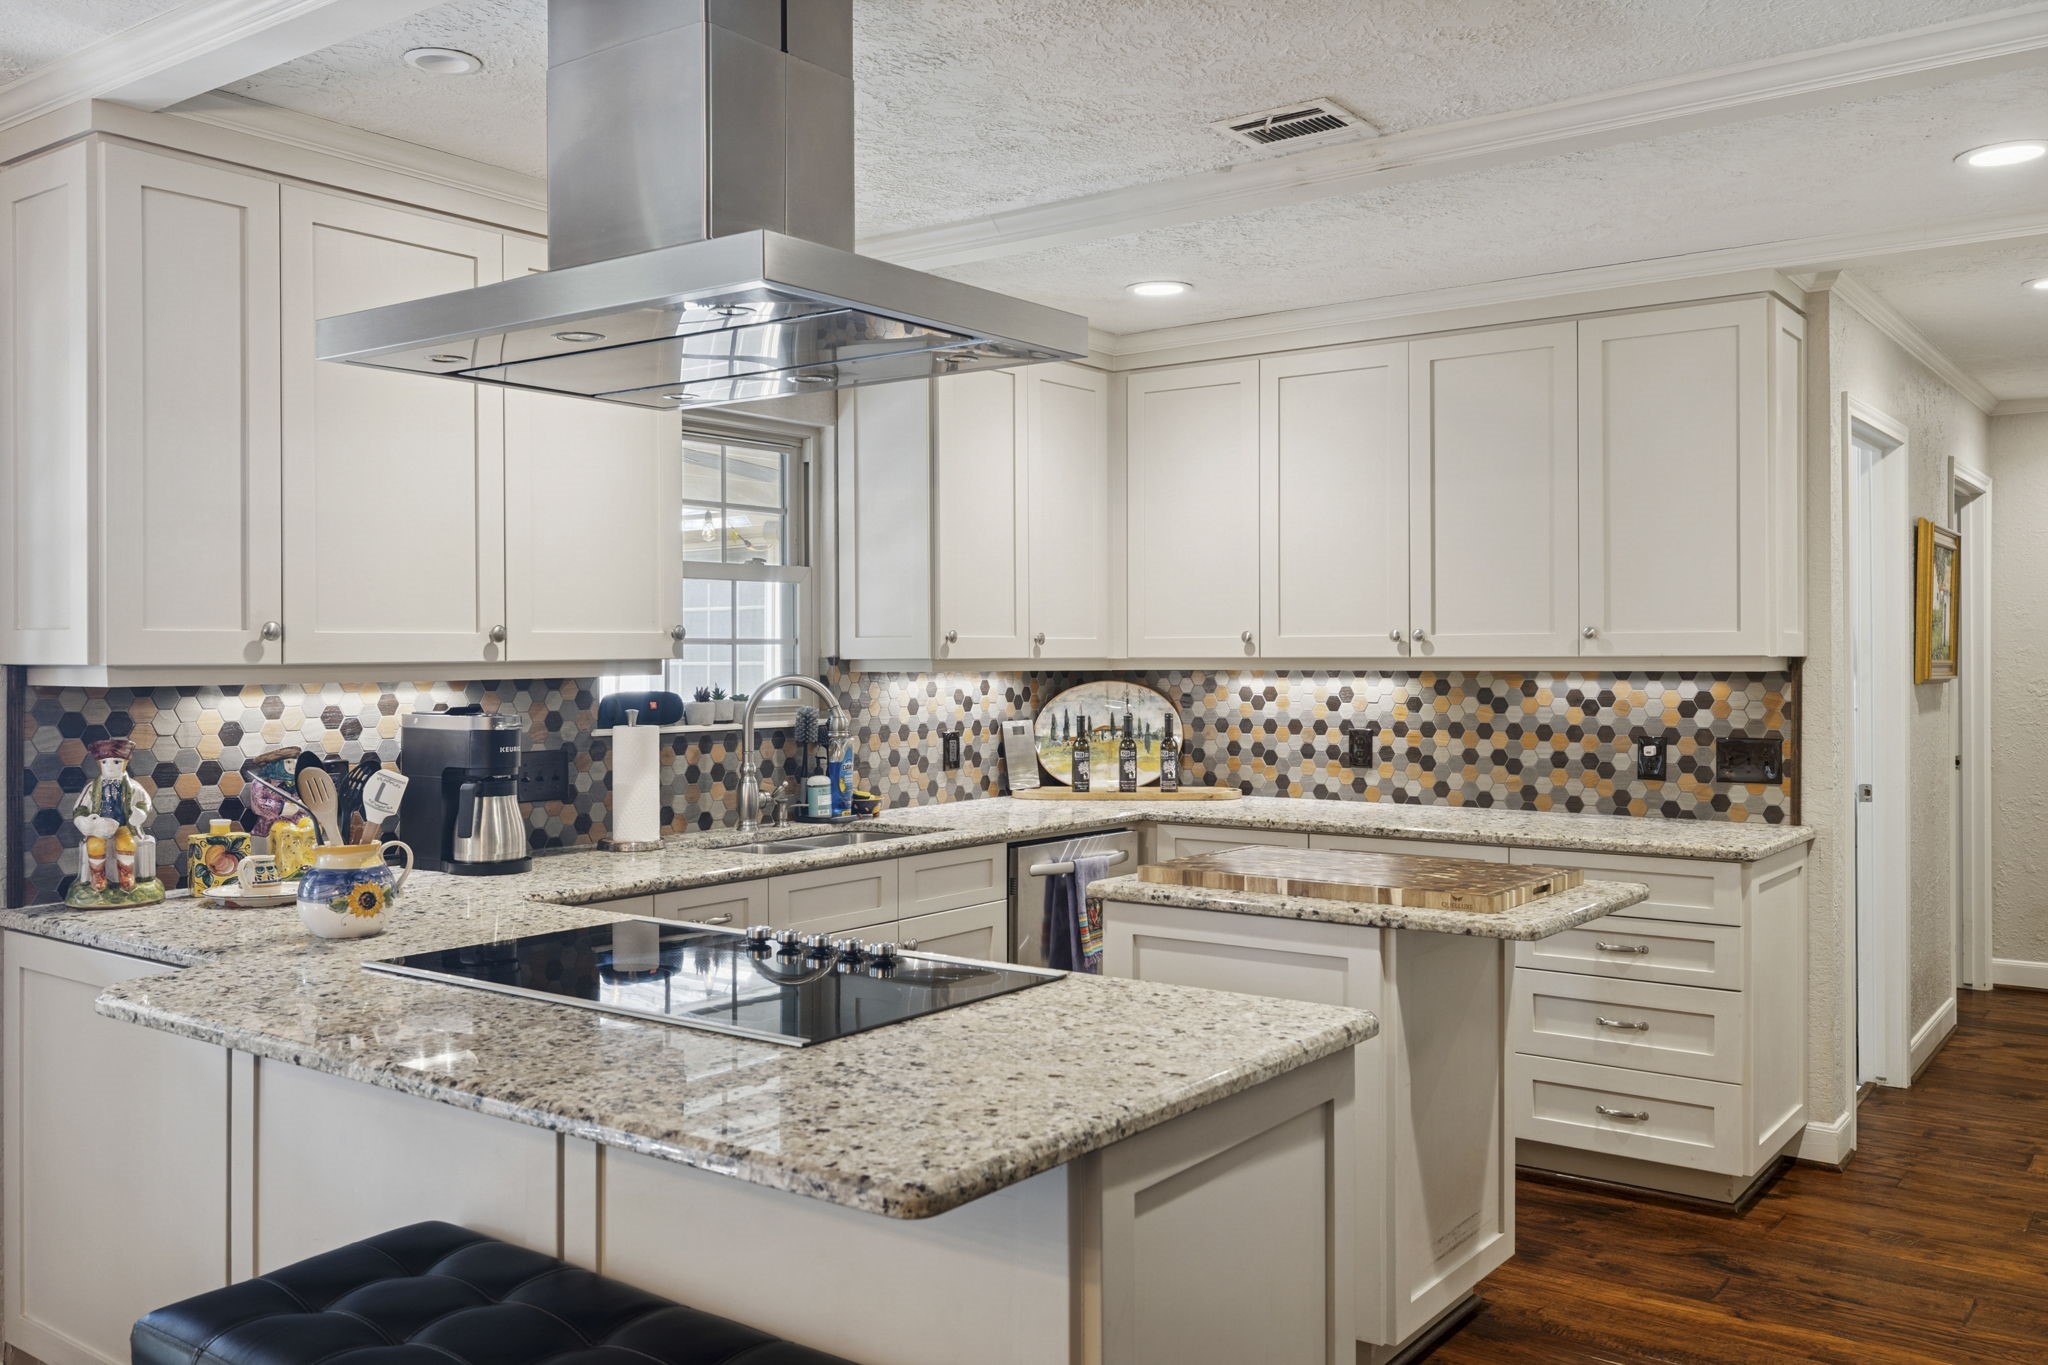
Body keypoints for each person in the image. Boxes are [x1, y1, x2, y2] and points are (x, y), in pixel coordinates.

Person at [71, 738, 154, 893]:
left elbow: (144, 803)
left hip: (123, 826)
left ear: (125, 763)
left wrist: (140, 813)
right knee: (94, 845)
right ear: (99, 764)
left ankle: (126, 875)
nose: (109, 767)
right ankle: (98, 876)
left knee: (127, 843)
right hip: (99, 828)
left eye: (116, 762)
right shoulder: (91, 788)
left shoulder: (134, 787)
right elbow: (80, 808)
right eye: (104, 762)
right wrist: (83, 821)